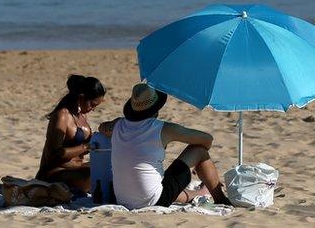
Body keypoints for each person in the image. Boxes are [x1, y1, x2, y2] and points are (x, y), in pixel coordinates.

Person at [99, 83, 233, 209]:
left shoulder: (118, 126)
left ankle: (201, 192)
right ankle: (220, 198)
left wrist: (113, 124)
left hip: (123, 199)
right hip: (154, 200)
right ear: (156, 108)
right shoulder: (162, 129)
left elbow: (102, 127)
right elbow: (207, 139)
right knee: (199, 151)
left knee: (160, 185)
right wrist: (200, 164)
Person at [36, 75, 106, 192]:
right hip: (54, 173)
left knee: (108, 168)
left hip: (75, 169)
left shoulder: (81, 115)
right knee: (92, 175)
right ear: (81, 97)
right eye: (92, 105)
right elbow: (53, 155)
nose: (92, 109)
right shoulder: (62, 116)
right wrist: (86, 146)